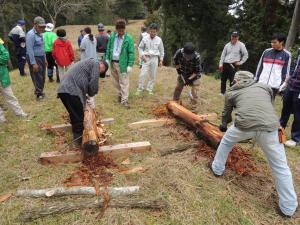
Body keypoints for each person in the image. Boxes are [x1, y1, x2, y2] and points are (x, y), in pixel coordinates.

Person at [209, 70, 298, 217]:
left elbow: (226, 113)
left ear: (236, 81)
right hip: (271, 127)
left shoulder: (231, 92)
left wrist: (224, 125)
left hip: (244, 126)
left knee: (225, 142)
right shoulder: (265, 87)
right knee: (281, 167)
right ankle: (288, 208)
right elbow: (269, 102)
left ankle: (217, 169)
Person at [57, 59, 108, 146]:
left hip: (64, 89)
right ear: (102, 65)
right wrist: (92, 95)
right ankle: (78, 141)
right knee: (79, 117)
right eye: (101, 72)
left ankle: (78, 138)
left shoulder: (87, 64)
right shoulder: (96, 63)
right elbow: (93, 83)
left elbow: (85, 83)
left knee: (75, 114)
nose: (99, 74)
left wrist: (87, 97)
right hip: (71, 90)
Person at [106, 19, 134, 107]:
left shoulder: (128, 38)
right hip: (113, 63)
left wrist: (130, 65)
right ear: (116, 29)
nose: (121, 32)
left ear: (124, 29)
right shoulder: (112, 37)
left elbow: (131, 52)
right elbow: (108, 48)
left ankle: (124, 100)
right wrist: (107, 58)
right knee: (116, 82)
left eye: (122, 30)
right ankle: (120, 95)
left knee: (124, 82)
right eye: (119, 30)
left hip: (123, 64)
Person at [255, 33, 291, 99]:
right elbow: (260, 67)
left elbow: (286, 71)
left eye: (275, 42)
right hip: (261, 83)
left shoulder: (287, 55)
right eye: (271, 42)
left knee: (269, 105)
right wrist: (256, 79)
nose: (272, 44)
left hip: (274, 86)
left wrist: (283, 84)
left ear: (281, 42)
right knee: (258, 102)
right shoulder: (266, 52)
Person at [0, 38, 27, 122]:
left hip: (2, 76)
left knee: (10, 95)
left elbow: (5, 56)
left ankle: (19, 113)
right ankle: (1, 118)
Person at [172, 42, 201, 111]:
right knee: (178, 88)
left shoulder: (197, 57)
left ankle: (194, 107)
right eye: (187, 56)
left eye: (190, 56)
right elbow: (175, 61)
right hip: (183, 73)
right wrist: (178, 69)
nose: (188, 58)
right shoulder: (179, 52)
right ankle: (175, 102)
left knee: (194, 91)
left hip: (194, 76)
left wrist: (189, 79)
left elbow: (197, 71)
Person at [136, 23, 164, 95]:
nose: (152, 33)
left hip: (155, 58)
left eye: (154, 32)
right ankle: (140, 89)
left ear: (156, 31)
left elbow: (161, 51)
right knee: (142, 74)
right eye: (151, 31)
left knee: (153, 75)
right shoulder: (145, 38)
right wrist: (142, 56)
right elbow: (140, 48)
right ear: (149, 31)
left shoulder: (159, 40)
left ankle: (149, 89)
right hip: (146, 58)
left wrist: (161, 60)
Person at [280, 49, 300, 147]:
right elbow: (294, 68)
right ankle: (280, 131)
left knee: (298, 113)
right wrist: (286, 82)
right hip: (292, 84)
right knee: (285, 109)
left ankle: (295, 138)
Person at [26, 16, 47, 100]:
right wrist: (33, 62)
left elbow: (42, 46)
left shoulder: (40, 33)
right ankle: (39, 94)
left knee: (42, 75)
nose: (42, 28)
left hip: (41, 56)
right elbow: (29, 49)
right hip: (34, 57)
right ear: (35, 25)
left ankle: (39, 90)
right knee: (37, 75)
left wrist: (45, 58)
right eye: (40, 26)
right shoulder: (30, 34)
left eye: (43, 26)